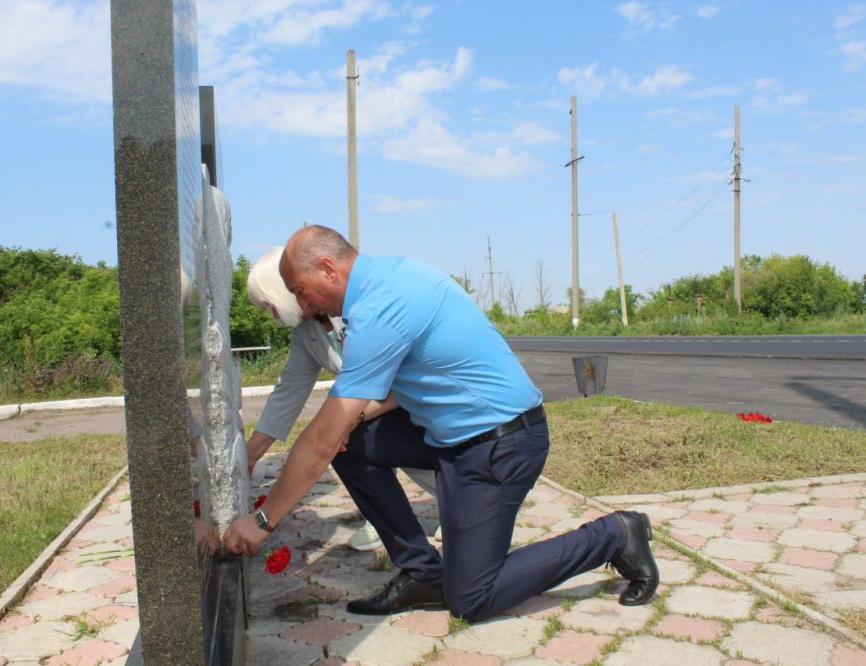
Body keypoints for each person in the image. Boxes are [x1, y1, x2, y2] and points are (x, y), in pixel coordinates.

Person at [224, 226, 658, 623]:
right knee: (351, 445)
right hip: (451, 435)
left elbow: (321, 438)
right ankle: (423, 573)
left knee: (472, 598)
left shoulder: (382, 306)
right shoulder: (386, 280)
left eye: (301, 292)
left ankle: (615, 534)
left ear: (327, 268)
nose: (303, 306)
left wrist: (263, 521)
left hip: (500, 442)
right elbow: (330, 422)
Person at [244, 246, 439, 551]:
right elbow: (289, 391)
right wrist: (251, 454)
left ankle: (462, 503)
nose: (273, 316)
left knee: (356, 434)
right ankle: (387, 518)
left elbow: (400, 381)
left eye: (271, 305)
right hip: (375, 405)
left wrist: (349, 419)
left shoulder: (361, 310)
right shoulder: (305, 334)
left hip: (420, 401)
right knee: (350, 441)